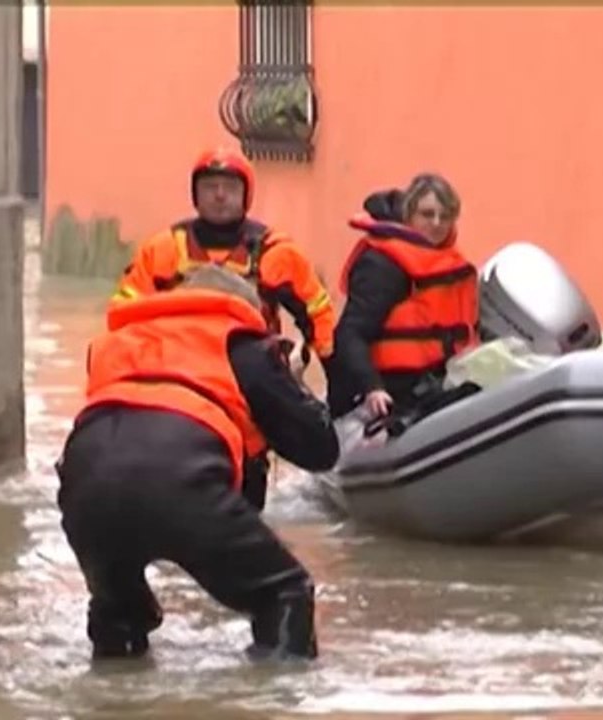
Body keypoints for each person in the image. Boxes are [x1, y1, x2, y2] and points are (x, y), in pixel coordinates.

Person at [56, 265, 339, 662]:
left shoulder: (116, 341)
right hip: (181, 480)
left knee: (119, 610)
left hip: (83, 486)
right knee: (284, 591)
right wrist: (292, 383)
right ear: (241, 308)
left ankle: (111, 694)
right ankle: (274, 698)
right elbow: (320, 449)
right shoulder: (241, 343)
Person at [110, 146, 337, 509]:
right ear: (195, 194)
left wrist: (318, 370)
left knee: (249, 489)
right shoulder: (164, 249)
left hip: (249, 381)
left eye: (228, 187)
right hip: (180, 375)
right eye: (210, 186)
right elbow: (122, 315)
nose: (219, 196)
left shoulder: (275, 252)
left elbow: (318, 314)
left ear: (245, 195)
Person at [328, 173, 480, 421]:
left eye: (445, 216)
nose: (437, 223)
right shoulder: (384, 265)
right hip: (390, 394)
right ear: (409, 215)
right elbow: (350, 333)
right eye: (427, 214)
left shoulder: (449, 263)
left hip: (433, 385)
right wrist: (372, 388)